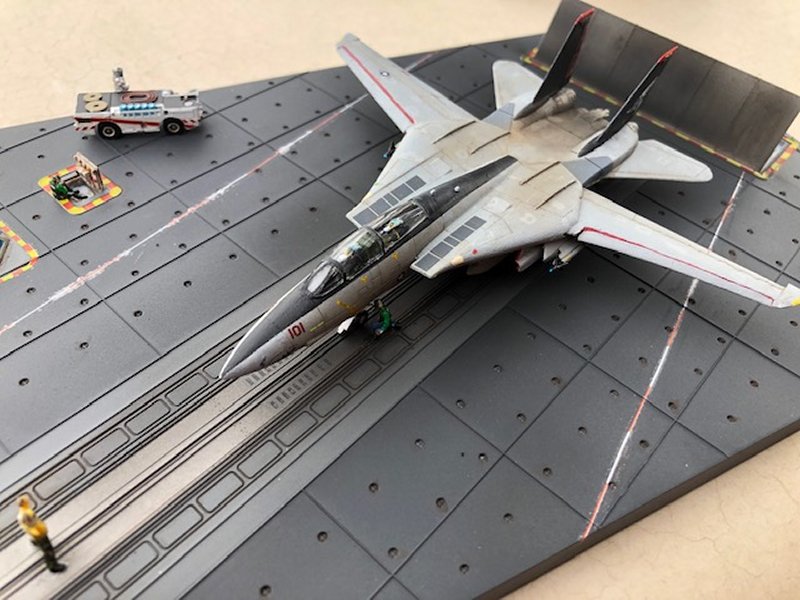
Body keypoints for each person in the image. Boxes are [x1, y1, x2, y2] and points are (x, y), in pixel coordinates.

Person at [16, 495, 67, 573]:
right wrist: (39, 532)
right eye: (27, 501)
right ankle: (53, 566)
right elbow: (31, 524)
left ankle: (35, 542)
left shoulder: (22, 511)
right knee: (48, 549)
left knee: (40, 543)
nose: (29, 501)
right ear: (24, 503)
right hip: (38, 532)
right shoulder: (26, 513)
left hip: (35, 533)